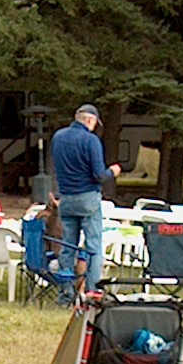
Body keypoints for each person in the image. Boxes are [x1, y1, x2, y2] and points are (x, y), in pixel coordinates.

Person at [51, 104, 120, 295]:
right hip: (88, 197)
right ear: (90, 120)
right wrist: (112, 172)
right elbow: (99, 175)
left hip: (66, 198)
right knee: (93, 246)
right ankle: (92, 291)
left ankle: (66, 292)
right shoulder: (91, 141)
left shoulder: (58, 137)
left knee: (68, 246)